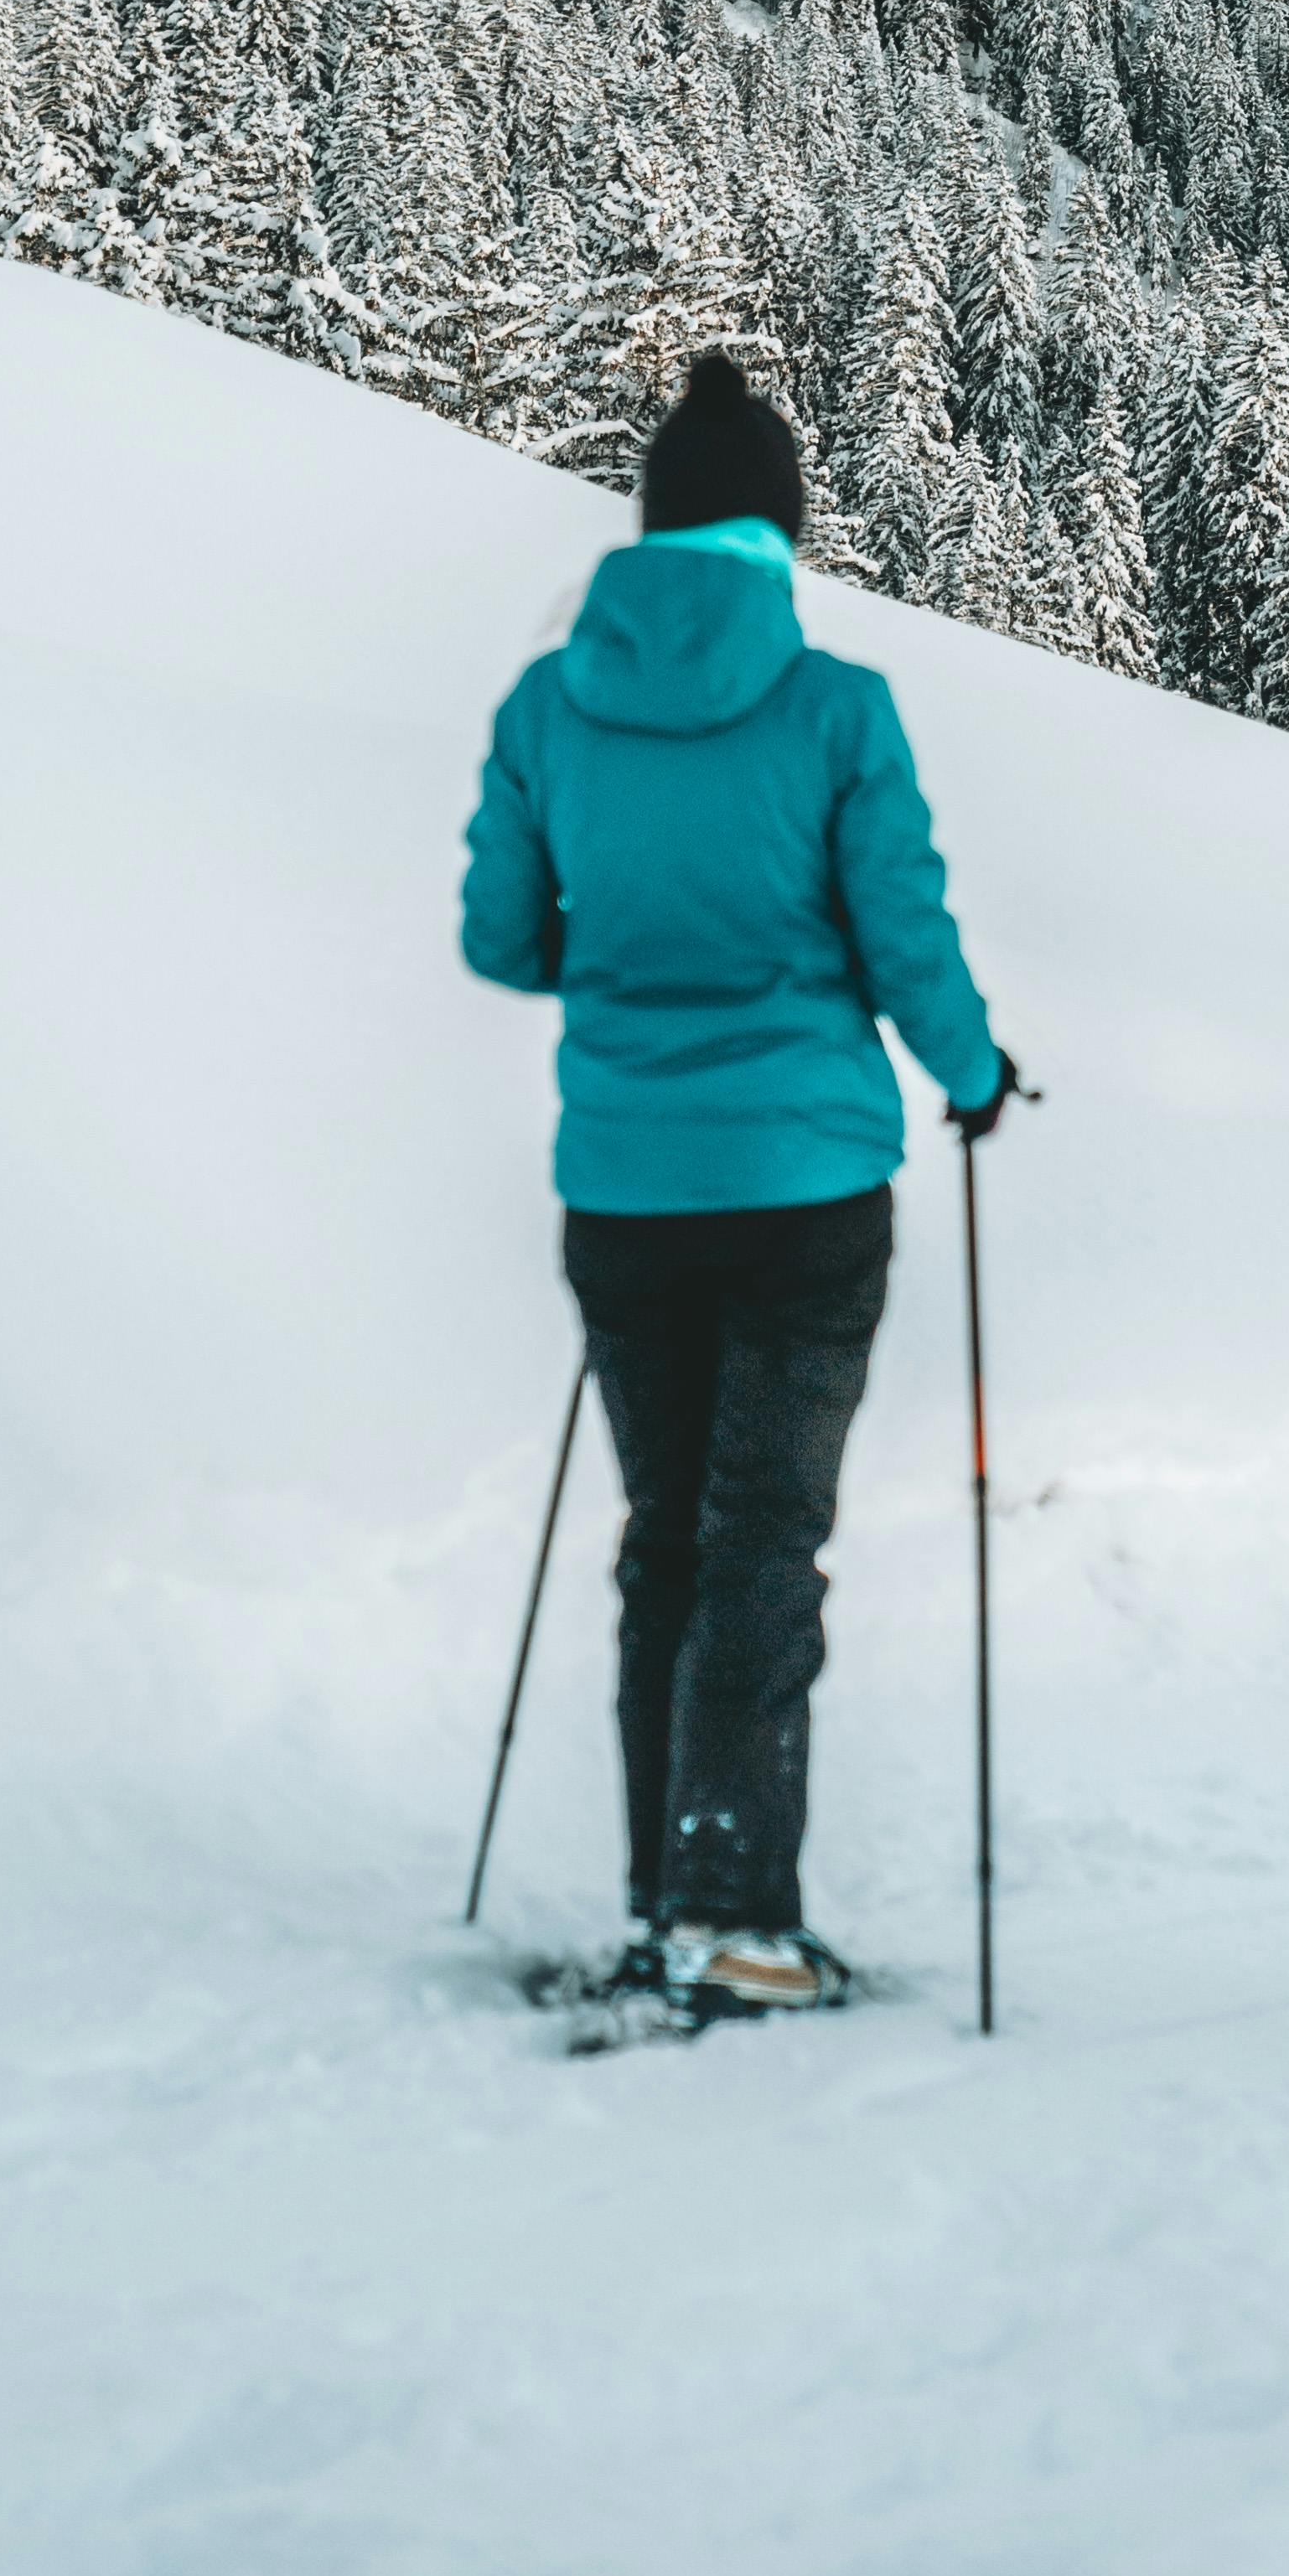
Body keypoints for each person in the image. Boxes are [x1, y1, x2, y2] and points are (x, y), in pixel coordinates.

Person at [460, 349, 1012, 2015]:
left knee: (669, 1543)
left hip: (623, 1187)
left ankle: (664, 1898)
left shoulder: (548, 704)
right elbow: (902, 931)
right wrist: (974, 1074)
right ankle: (735, 1909)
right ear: (779, 529)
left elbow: (500, 938)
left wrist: (623, 970)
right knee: (767, 1537)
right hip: (804, 1189)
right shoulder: (836, 705)